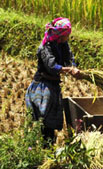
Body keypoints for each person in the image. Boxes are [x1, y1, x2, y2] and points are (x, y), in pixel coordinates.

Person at [25, 17, 81, 145]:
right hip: (43, 85)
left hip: (54, 85)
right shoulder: (45, 47)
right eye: (67, 35)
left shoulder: (63, 44)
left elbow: (70, 57)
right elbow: (52, 66)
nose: (68, 37)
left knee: (53, 120)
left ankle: (49, 146)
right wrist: (69, 70)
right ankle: (45, 147)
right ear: (61, 35)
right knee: (45, 120)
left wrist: (74, 67)